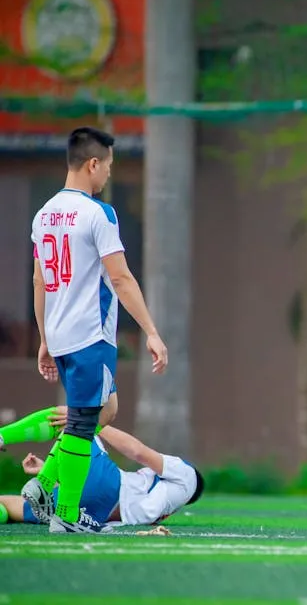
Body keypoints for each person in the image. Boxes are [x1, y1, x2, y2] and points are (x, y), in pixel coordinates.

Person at [29, 126, 168, 533]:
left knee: (105, 411)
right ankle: (65, 515)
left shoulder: (44, 214)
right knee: (82, 424)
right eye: (108, 166)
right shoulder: (98, 213)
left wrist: (44, 338)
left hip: (62, 334)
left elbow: (39, 281)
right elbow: (121, 279)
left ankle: (43, 484)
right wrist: (152, 332)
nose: (108, 175)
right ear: (93, 164)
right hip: (90, 337)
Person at [0, 406, 204, 529]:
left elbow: (138, 452)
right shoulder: (166, 509)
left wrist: (90, 422)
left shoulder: (188, 475)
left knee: (69, 415)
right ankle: (46, 477)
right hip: (92, 515)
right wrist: (49, 469)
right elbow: (86, 489)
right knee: (8, 506)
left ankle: (3, 436)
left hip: (111, 488)